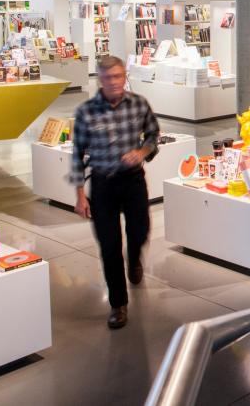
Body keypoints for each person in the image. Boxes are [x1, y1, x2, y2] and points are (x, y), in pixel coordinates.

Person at [70, 55, 160, 329]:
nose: (113, 83)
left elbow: (153, 135)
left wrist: (142, 152)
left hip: (133, 181)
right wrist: (80, 195)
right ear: (100, 79)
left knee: (140, 230)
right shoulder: (86, 111)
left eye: (118, 77)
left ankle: (134, 258)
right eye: (108, 78)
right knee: (109, 246)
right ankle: (118, 304)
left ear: (125, 77)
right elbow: (77, 154)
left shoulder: (139, 104)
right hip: (103, 184)